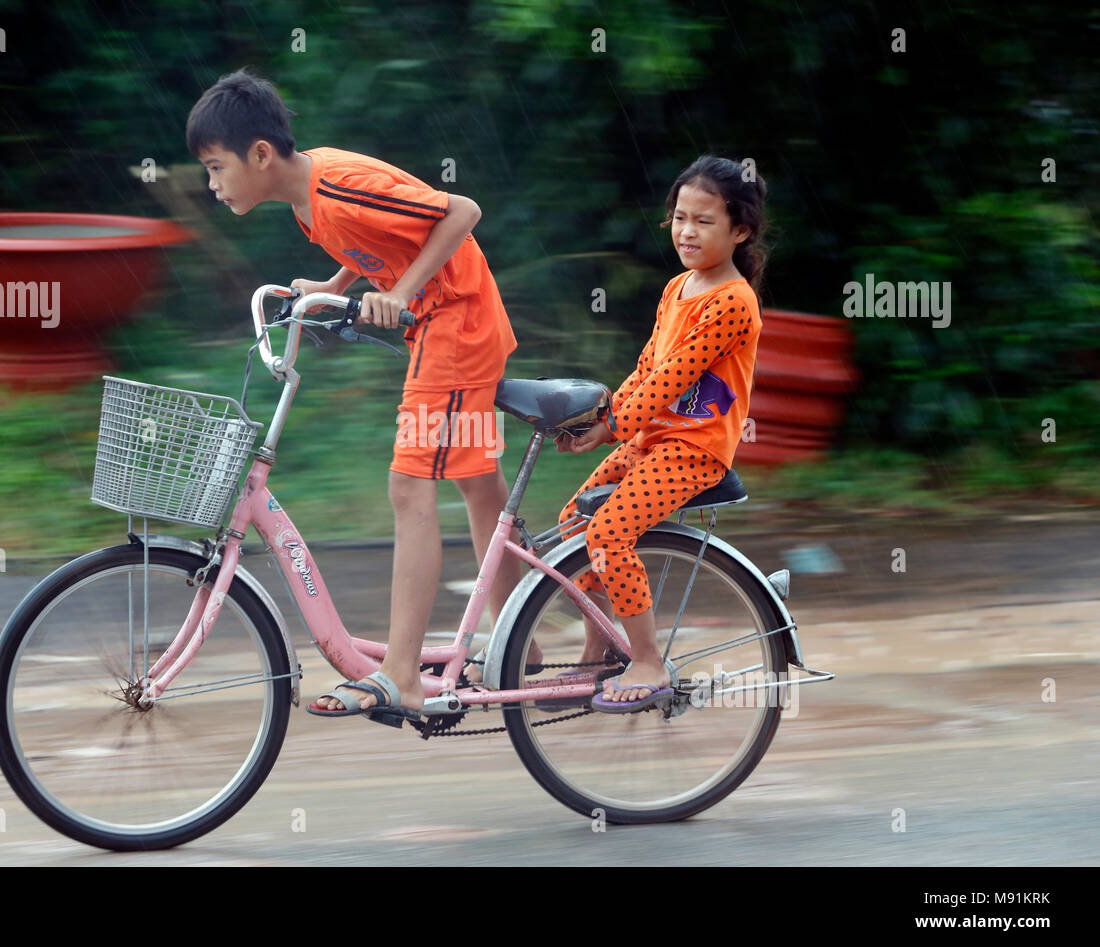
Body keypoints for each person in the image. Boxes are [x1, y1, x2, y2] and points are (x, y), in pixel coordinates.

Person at [185, 69, 522, 720]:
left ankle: (402, 675)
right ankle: (518, 639)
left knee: (408, 486)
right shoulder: (310, 200)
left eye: (216, 167)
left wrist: (399, 293)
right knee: (479, 486)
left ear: (260, 154)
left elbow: (461, 212)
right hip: (449, 326)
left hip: (457, 328)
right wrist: (339, 282)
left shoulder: (337, 186)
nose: (212, 184)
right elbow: (375, 241)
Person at [555, 155, 769, 713]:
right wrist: (604, 422)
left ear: (739, 230)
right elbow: (648, 367)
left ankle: (647, 659)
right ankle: (601, 648)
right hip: (650, 438)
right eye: (679, 218)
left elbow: (675, 380)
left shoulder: (733, 302)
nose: (687, 231)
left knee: (608, 536)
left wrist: (612, 424)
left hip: (695, 450)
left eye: (704, 221)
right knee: (572, 524)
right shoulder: (678, 288)